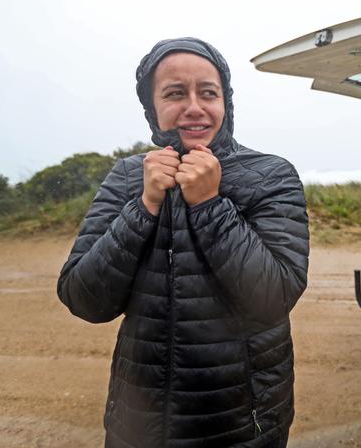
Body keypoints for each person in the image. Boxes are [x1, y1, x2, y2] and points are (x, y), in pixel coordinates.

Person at [57, 37, 309, 447]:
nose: (194, 106)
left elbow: (275, 296)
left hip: (243, 424)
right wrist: (145, 204)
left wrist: (210, 204)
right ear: (151, 108)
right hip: (139, 423)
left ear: (225, 102)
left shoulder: (271, 175)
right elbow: (83, 298)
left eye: (208, 92)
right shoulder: (127, 177)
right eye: (175, 93)